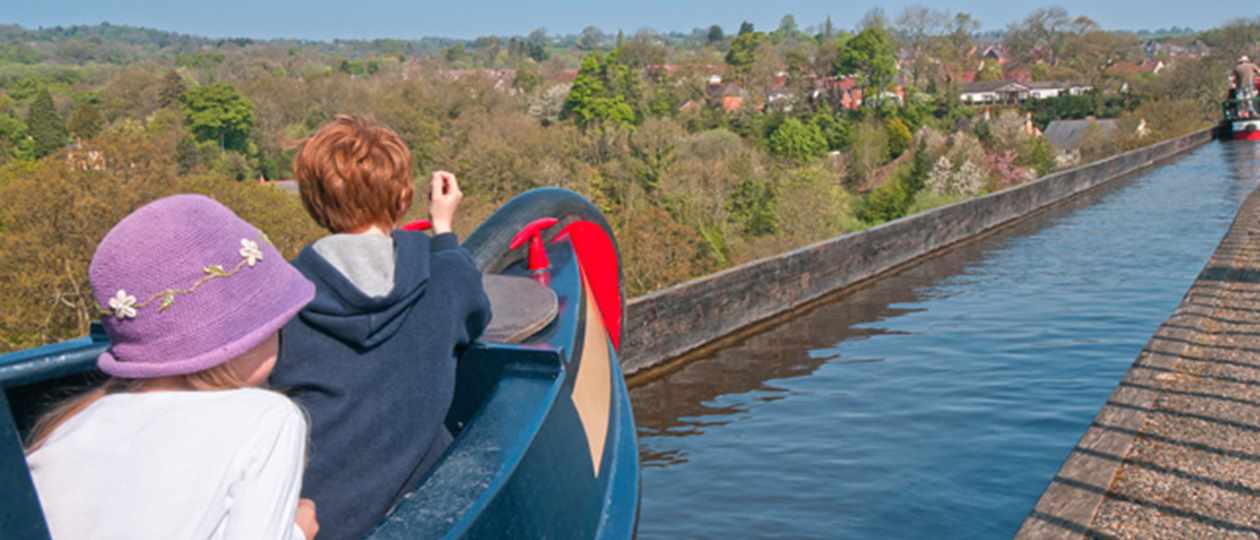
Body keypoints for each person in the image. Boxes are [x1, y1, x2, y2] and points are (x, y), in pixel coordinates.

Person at [26, 194, 320, 540]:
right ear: (245, 340)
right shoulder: (267, 419)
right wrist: (299, 530)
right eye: (275, 322)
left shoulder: (64, 431)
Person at [273, 115, 491, 540]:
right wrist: (443, 230)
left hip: (312, 520)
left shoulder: (280, 302)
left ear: (314, 203)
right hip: (415, 511)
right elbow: (474, 314)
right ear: (403, 196)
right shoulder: (444, 278)